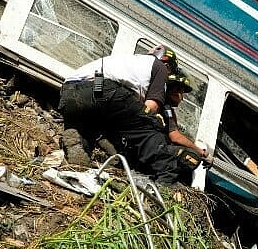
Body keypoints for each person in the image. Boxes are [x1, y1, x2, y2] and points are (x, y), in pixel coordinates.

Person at [58, 45, 202, 186]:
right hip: (103, 90)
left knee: (103, 118)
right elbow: (151, 107)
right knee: (147, 122)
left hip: (70, 92)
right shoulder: (160, 67)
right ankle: (165, 173)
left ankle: (78, 141)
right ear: (168, 64)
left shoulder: (130, 60)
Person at [162, 71, 208, 160]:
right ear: (174, 93)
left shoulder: (165, 107)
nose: (182, 98)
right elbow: (175, 137)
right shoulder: (166, 109)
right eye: (182, 93)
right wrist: (200, 151)